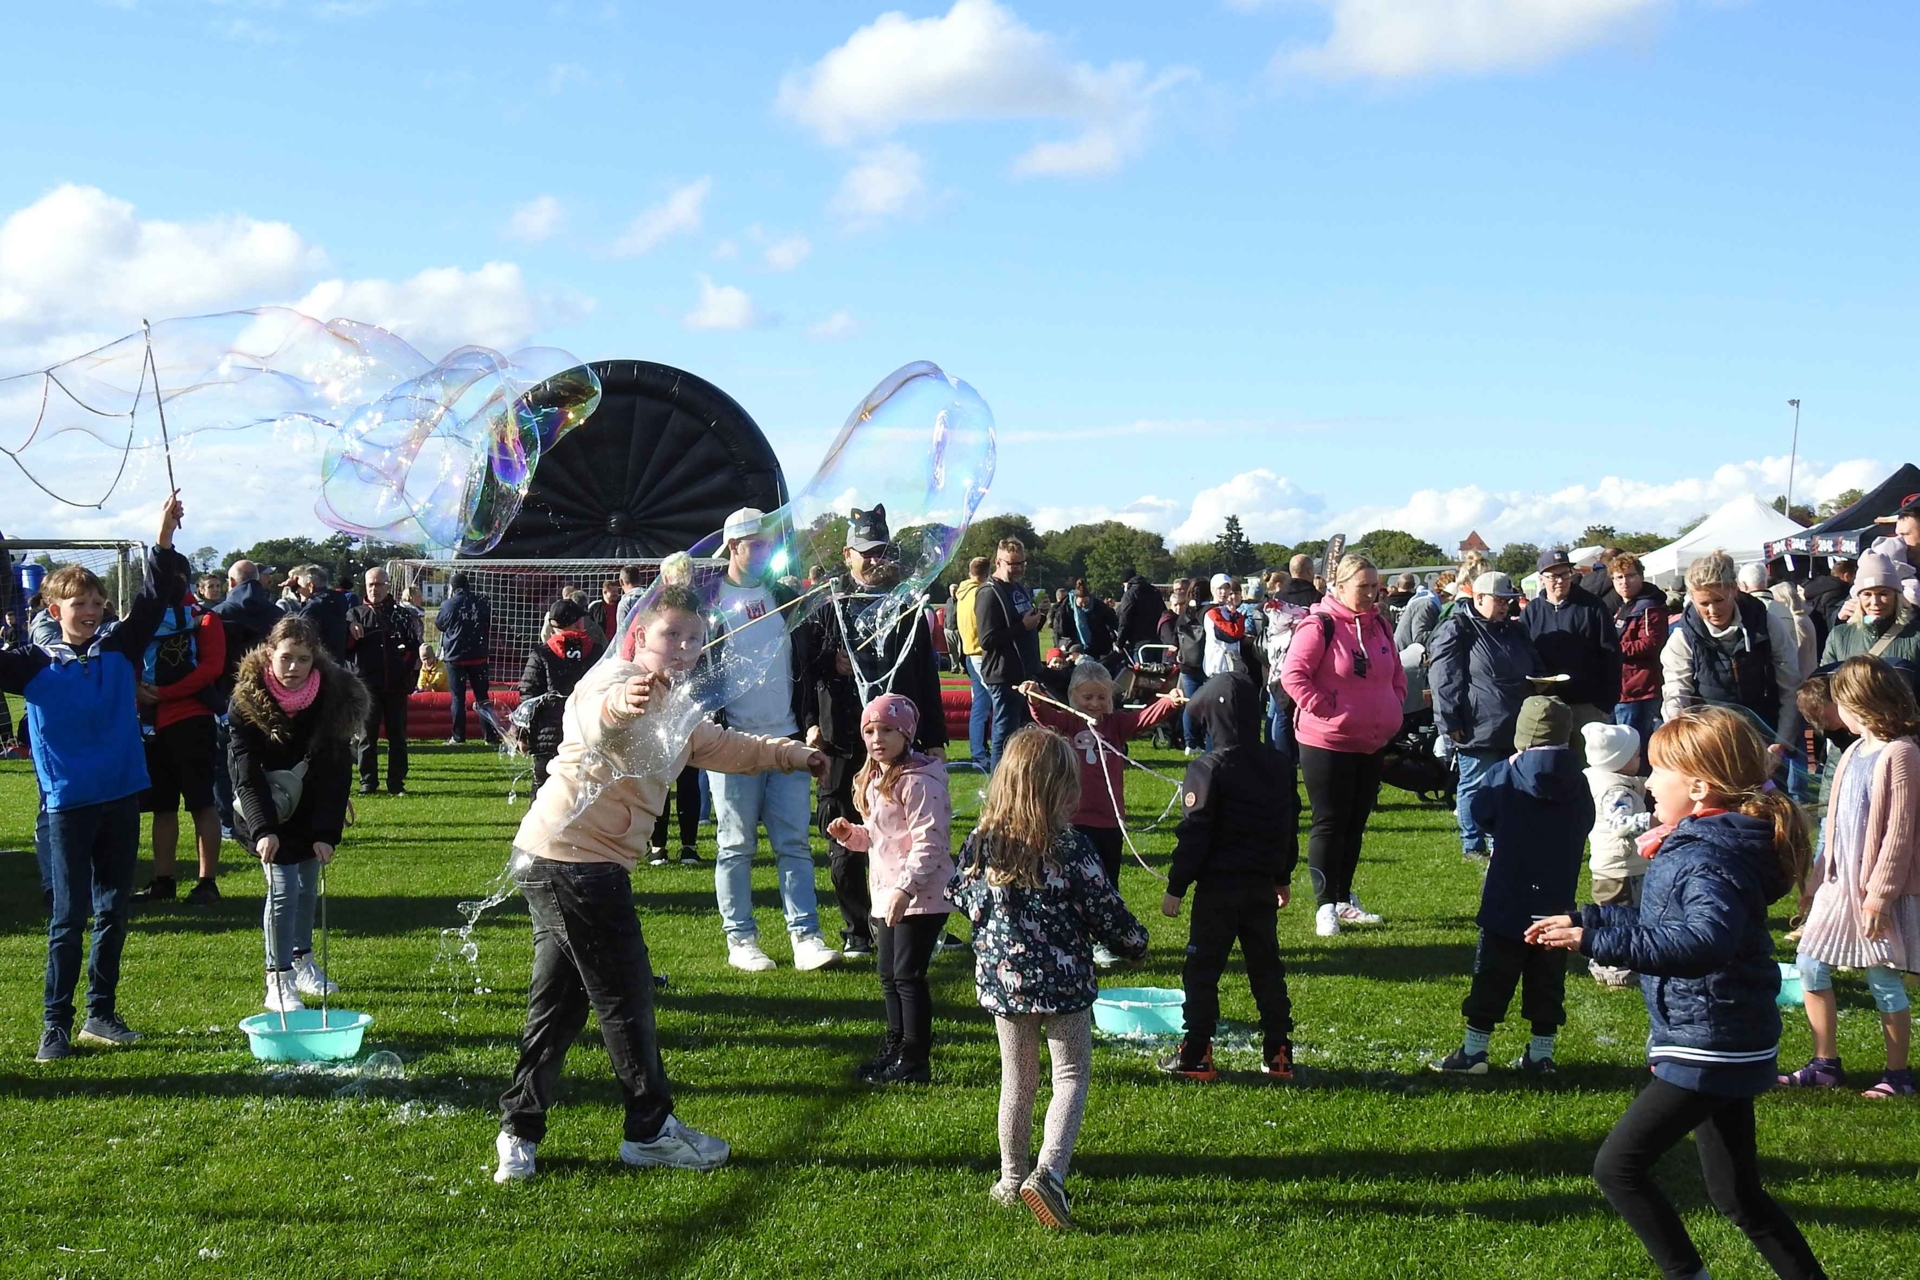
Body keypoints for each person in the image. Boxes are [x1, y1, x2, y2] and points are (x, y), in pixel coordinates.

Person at [493, 584, 829, 1182]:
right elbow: (598, 721)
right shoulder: (611, 680)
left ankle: (519, 1129)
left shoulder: (679, 705)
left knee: (561, 1005)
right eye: (670, 635)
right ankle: (648, 1130)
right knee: (626, 999)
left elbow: (720, 746)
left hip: (558, 858)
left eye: (693, 639)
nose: (682, 648)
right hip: (576, 863)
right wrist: (627, 703)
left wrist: (791, 757)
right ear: (639, 635)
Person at [1528, 708, 1825, 1280]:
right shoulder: (1703, 843)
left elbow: (1701, 941)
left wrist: (1594, 939)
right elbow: (1666, 919)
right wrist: (1587, 915)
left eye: (1658, 768)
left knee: (1619, 1169)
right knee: (1738, 1197)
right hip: (1726, 1033)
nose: (1647, 780)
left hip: (1708, 1040)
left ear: (1698, 786)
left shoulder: (1705, 854)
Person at [1, 493, 188, 1062]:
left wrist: (162, 537)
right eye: (75, 602)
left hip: (120, 795)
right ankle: (54, 1026)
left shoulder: (119, 648)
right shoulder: (32, 663)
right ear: (53, 609)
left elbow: (155, 599)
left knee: (114, 910)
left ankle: (99, 1014)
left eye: (95, 601)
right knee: (68, 917)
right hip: (68, 804)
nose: (87, 610)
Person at [947, 726, 1148, 1230]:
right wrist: (1134, 943)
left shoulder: (982, 843)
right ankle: (1050, 1174)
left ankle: (1010, 1179)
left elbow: (960, 895)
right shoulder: (1069, 848)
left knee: (1017, 1081)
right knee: (1070, 1076)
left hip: (1004, 983)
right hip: (1064, 988)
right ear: (1056, 792)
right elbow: (1105, 909)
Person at [805, 506, 948, 959]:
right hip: (844, 740)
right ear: (848, 555)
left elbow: (927, 674)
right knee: (844, 837)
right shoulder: (829, 606)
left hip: (902, 746)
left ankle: (910, 917)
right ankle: (857, 930)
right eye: (865, 553)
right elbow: (803, 671)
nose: (873, 561)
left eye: (881, 552)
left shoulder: (908, 606)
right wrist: (813, 717)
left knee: (905, 836)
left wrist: (936, 737)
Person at [704, 507, 841, 974]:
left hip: (786, 737)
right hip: (731, 742)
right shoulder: (710, 602)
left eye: (767, 544)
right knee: (736, 846)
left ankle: (806, 935)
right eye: (756, 544)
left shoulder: (784, 595)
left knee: (794, 843)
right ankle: (740, 939)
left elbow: (807, 659)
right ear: (734, 547)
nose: (765, 552)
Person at [1779, 656, 1919, 1099]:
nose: (1837, 713)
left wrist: (1879, 896)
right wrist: (1816, 882)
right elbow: (1834, 826)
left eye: (1843, 703)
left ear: (1866, 702)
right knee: (1810, 964)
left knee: (1882, 977)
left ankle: (1897, 1074)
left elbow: (1899, 833)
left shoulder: (1902, 753)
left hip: (1877, 892)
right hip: (1839, 887)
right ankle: (1825, 1063)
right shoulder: (1853, 751)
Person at [1432, 697, 1593, 1075]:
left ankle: (1474, 1051)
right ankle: (1541, 1054)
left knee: (1492, 974)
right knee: (1548, 980)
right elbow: (1586, 821)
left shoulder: (1504, 773)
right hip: (1556, 902)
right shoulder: (1579, 780)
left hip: (1508, 896)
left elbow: (1481, 812)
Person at [1156, 672, 1298, 1083]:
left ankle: (1197, 1052)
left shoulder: (1207, 767)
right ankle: (1279, 1052)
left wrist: (1176, 886)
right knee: (1266, 968)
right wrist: (1282, 875)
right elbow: (1288, 824)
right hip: (1259, 887)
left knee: (1202, 971)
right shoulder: (1278, 764)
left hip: (1217, 890)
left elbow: (1195, 832)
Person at [227, 615, 366, 1011]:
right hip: (264, 808)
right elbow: (245, 772)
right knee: (283, 889)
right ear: (270, 653)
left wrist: (326, 831)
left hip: (310, 807)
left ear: (315, 659)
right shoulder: (246, 702)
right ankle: (278, 977)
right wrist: (263, 829)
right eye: (286, 658)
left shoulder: (332, 699)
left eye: (303, 660)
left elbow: (337, 770)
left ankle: (303, 959)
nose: (294, 668)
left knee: (307, 886)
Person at [824, 695, 954, 1085]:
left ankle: (915, 1061)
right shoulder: (874, 777)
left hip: (921, 896)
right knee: (888, 976)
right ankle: (896, 1048)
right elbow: (883, 839)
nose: (877, 738)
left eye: (886, 730)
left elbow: (929, 842)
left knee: (907, 976)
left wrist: (904, 890)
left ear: (906, 734)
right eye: (869, 731)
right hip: (887, 894)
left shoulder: (918, 781)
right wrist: (852, 836)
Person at [1020, 661, 1182, 958]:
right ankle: (1074, 936)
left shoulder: (1116, 724)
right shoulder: (1068, 722)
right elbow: (1045, 715)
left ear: (1111, 698)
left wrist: (1170, 703)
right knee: (1073, 883)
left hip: (1109, 822)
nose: (1094, 704)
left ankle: (1104, 940)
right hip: (1073, 821)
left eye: (1101, 697)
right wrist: (1033, 696)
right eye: (1087, 698)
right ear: (1073, 698)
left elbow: (1143, 719)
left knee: (1107, 883)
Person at [1280, 553, 1406, 937]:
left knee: (1355, 823)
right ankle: (1325, 906)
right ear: (1340, 586)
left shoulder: (1380, 625)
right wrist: (1326, 709)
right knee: (1330, 822)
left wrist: (1394, 704)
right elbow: (1293, 675)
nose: (1371, 594)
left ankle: (1345, 898)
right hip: (1327, 742)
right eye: (1363, 587)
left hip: (1371, 742)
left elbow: (1396, 673)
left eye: (1375, 586)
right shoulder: (1319, 625)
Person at [126, 566, 228, 906]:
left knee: (200, 803)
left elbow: (211, 669)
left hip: (190, 720)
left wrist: (158, 693)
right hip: (154, 722)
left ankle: (206, 882)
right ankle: (164, 880)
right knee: (162, 806)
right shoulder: (151, 619)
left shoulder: (204, 619)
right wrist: (142, 691)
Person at [1430, 572, 1543, 861]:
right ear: (1479, 598)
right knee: (1476, 784)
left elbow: (1532, 663)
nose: (1506, 606)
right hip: (1477, 723)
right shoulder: (1457, 628)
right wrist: (1450, 721)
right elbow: (1444, 677)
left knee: (1508, 785)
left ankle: (1500, 840)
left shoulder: (1513, 630)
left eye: (1508, 601)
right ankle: (1472, 844)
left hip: (1513, 721)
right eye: (1499, 600)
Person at [1661, 551, 1801, 743]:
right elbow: (1676, 690)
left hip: (1765, 733)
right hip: (1711, 740)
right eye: (1704, 603)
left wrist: (1782, 742)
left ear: (1734, 589)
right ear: (1692, 599)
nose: (1713, 610)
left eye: (1719, 600)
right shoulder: (1682, 637)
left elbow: (1791, 685)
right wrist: (1675, 720)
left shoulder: (1767, 624)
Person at [1523, 548, 1620, 765]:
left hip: (1587, 704)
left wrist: (1605, 704)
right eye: (1553, 576)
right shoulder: (1532, 611)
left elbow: (1611, 654)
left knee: (1589, 766)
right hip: (1547, 704)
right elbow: (1524, 654)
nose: (1560, 581)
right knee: (1552, 765)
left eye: (1565, 574)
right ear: (1541, 579)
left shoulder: (1592, 607)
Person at [1580, 722, 1652, 988]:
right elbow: (1621, 824)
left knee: (1610, 914)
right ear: (1618, 761)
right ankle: (1614, 969)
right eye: (1635, 755)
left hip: (1610, 865)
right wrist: (1654, 822)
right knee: (1620, 917)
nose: (1640, 759)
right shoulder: (1616, 791)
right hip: (1621, 868)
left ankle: (1611, 962)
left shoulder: (1604, 780)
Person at [644, 552, 703, 870]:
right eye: (677, 574)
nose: (682, 579)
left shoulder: (698, 610)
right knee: (661, 780)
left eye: (687, 573)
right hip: (658, 700)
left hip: (687, 700)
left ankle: (689, 844)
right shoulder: (653, 611)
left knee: (689, 777)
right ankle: (658, 844)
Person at [345, 565, 421, 797]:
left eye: (379, 584)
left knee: (397, 736)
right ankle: (368, 782)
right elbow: (345, 649)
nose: (374, 589)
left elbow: (414, 646)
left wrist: (406, 668)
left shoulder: (401, 614)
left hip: (396, 684)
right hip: (367, 685)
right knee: (367, 737)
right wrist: (348, 629)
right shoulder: (354, 614)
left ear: (387, 586)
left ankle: (397, 783)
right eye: (371, 584)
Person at [975, 537, 1044, 773]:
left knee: (1026, 736)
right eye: (1013, 564)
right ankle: (997, 791)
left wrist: (1038, 617)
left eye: (1022, 563)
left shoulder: (1019, 587)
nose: (1018, 568)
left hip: (1026, 674)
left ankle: (1019, 786)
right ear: (998, 561)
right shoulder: (988, 592)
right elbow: (987, 639)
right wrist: (1022, 627)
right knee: (1004, 737)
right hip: (1004, 676)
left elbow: (1025, 625)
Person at [518, 599, 600, 794]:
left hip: (547, 734)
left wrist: (523, 733)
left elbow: (528, 697)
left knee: (543, 794)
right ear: (579, 623)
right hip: (585, 734)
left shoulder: (541, 654)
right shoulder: (596, 652)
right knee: (584, 794)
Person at [1817, 550, 1920, 675]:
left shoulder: (1915, 636)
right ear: (1858, 597)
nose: (1875, 602)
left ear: (1896, 596)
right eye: (1867, 594)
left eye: (1883, 593)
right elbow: (1825, 684)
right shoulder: (1839, 636)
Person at [1609, 552, 1668, 763]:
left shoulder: (1650, 607)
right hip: (1622, 689)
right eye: (1619, 577)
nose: (1625, 582)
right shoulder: (1623, 606)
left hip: (1640, 690)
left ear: (1641, 577)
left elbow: (1651, 644)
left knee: (1633, 754)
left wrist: (1613, 648)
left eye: (1630, 576)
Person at [435, 571, 496, 745]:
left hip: (456, 656)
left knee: (457, 698)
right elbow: (489, 621)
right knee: (482, 697)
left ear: (453, 588)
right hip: (478, 655)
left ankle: (458, 736)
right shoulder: (481, 602)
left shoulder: (448, 604)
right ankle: (489, 735)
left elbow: (440, 624)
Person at [954, 556, 993, 771]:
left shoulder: (963, 593)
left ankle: (978, 751)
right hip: (982, 653)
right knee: (991, 705)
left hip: (969, 653)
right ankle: (987, 752)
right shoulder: (981, 593)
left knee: (980, 706)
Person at [1163, 578, 1206, 753]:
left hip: (1186, 663)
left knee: (1189, 703)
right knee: (1206, 704)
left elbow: (1174, 638)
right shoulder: (1208, 612)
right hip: (1204, 663)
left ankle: (1190, 742)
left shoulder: (1185, 612)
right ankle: (1203, 739)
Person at [288, 565, 351, 661]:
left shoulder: (312, 608)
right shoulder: (340, 599)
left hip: (319, 664)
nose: (297, 590)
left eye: (299, 586)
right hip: (338, 663)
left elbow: (297, 637)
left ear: (311, 586)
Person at [1114, 570, 1165, 663]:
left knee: (1143, 675)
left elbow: (1125, 619)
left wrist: (1119, 644)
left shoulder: (1129, 594)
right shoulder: (1154, 591)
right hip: (1158, 641)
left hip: (1140, 643)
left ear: (1125, 583)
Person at [1201, 574, 1248, 676]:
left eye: (1226, 588)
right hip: (1216, 667)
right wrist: (1235, 615)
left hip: (1232, 667)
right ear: (1213, 589)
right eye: (1219, 588)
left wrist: (1234, 613)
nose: (1223, 592)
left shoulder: (1230, 611)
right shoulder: (1211, 612)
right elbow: (1233, 635)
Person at [1064, 578, 1118, 661]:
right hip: (1078, 647)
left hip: (1100, 646)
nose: (1083, 605)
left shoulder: (1100, 606)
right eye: (1080, 603)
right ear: (1075, 599)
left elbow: (1114, 622)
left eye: (1086, 602)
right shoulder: (1067, 608)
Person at [1802, 557, 1854, 640]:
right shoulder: (1838, 593)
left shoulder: (1816, 586)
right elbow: (1832, 624)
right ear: (1846, 576)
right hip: (1825, 639)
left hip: (1814, 635)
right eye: (1853, 577)